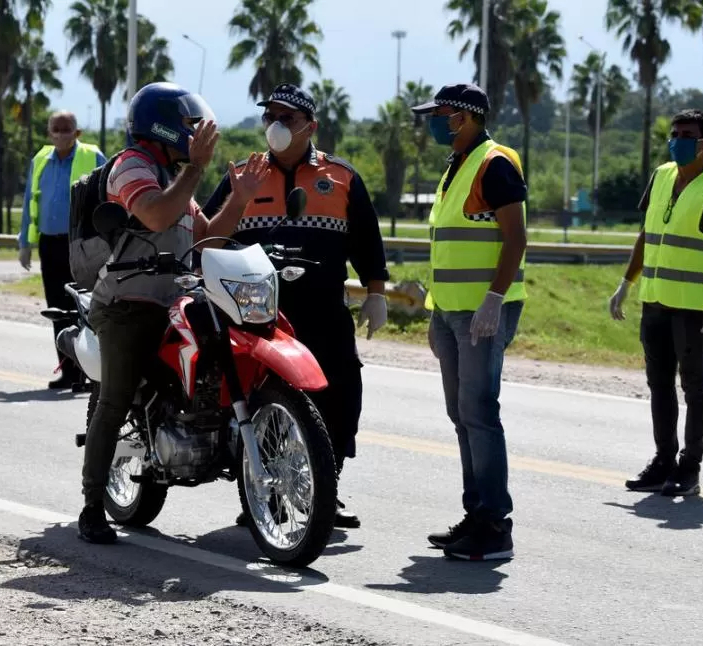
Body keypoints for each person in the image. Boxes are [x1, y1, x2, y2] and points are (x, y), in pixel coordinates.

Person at [77, 82, 269, 544]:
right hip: (127, 303)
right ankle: (90, 505)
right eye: (187, 126)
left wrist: (240, 198)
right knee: (116, 396)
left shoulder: (175, 177)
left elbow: (207, 240)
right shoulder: (132, 167)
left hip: (176, 301)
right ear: (160, 124)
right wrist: (198, 169)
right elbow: (156, 216)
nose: (194, 134)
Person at [201, 83, 389, 530]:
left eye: (286, 118)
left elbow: (366, 238)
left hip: (323, 309)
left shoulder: (341, 176)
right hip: (257, 313)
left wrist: (377, 291)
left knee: (341, 393)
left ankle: (326, 488)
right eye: (270, 117)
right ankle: (258, 493)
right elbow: (208, 233)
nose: (276, 126)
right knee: (256, 401)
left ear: (311, 126)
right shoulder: (243, 175)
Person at [409, 83, 528, 561]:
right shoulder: (456, 166)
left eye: (439, 114)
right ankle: (475, 512)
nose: (433, 122)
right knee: (463, 416)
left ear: (463, 117)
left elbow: (516, 238)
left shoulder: (495, 162)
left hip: (483, 312)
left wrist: (494, 299)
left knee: (479, 413)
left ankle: (495, 526)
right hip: (452, 311)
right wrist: (437, 314)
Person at [609, 108, 703, 498]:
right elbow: (647, 234)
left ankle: (690, 468)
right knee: (658, 385)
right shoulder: (662, 175)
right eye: (674, 133)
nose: (677, 140)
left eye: (686, 135)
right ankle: (663, 460)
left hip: (692, 309)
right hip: (654, 302)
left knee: (694, 388)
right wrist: (625, 283)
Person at [19, 111, 106, 389]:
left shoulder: (93, 157)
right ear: (49, 133)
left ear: (76, 132)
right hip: (49, 242)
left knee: (83, 305)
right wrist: (24, 243)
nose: (61, 134)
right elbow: (29, 202)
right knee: (57, 307)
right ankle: (68, 369)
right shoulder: (40, 161)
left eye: (66, 129)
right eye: (55, 129)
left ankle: (89, 371)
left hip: (80, 243)